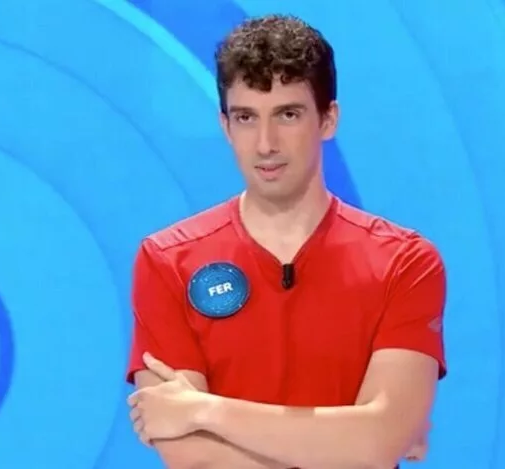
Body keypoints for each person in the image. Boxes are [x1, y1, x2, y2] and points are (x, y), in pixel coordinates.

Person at [125, 14, 447, 469]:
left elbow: (378, 444)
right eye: (246, 118)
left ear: (328, 119)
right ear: (225, 126)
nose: (265, 144)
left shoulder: (405, 262)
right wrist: (350, 443)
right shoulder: (167, 260)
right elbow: (193, 457)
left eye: (288, 115)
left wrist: (204, 410)